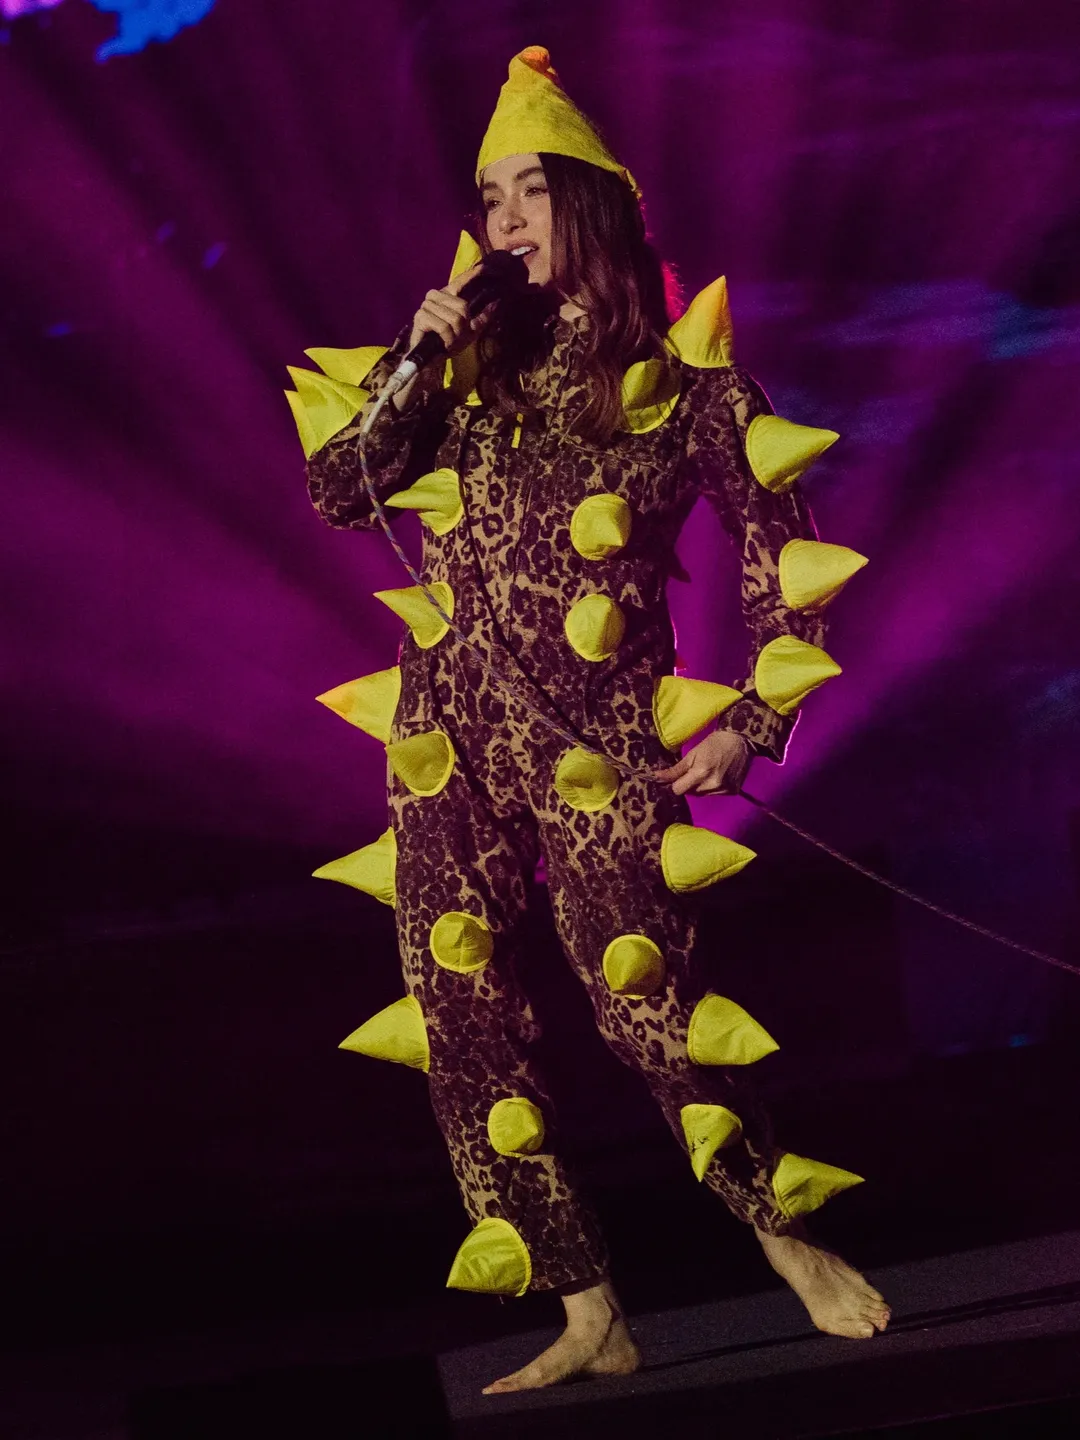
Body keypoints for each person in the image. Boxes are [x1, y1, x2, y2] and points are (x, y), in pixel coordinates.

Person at [286, 46, 888, 1393]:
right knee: (461, 1020)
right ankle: (586, 1305)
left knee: (644, 1003)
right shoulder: (468, 366)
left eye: (530, 193)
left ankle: (786, 1236)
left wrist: (752, 719)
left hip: (594, 742)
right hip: (444, 736)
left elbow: (783, 555)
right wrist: (413, 364)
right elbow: (338, 490)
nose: (504, 222)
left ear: (593, 202)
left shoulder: (685, 377)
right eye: (489, 198)